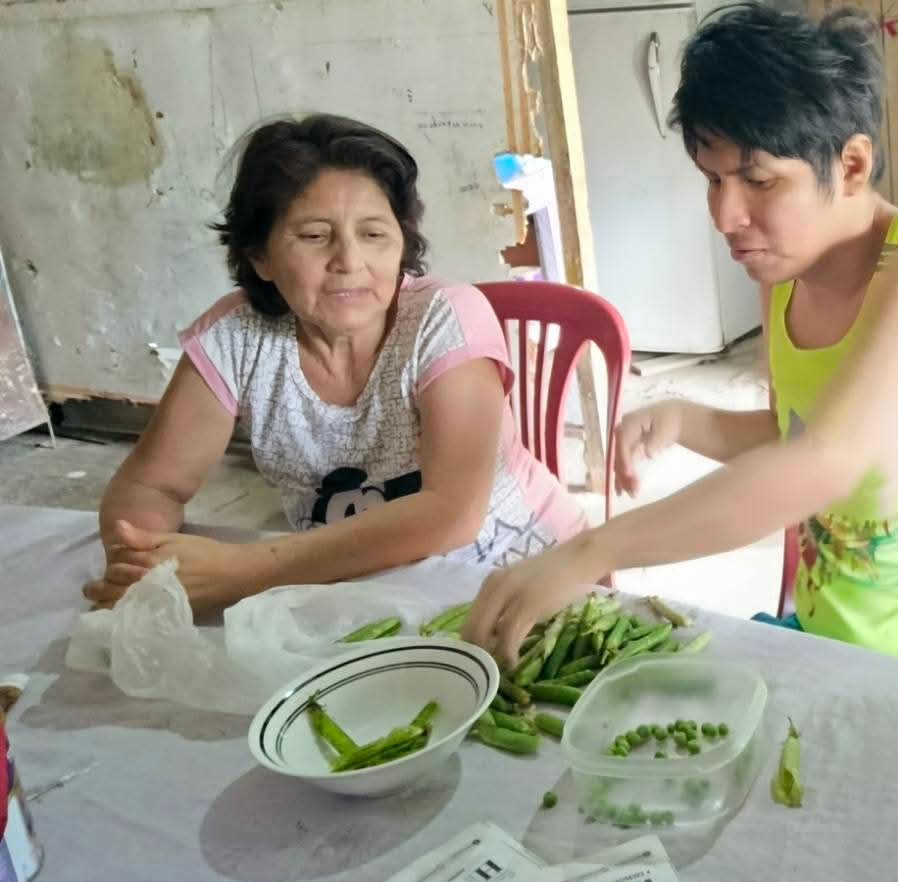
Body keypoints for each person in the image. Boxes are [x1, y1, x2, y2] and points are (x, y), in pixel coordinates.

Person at [464, 5, 898, 790]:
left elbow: (824, 464)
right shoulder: (787, 280)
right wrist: (690, 420)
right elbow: (800, 435)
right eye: (713, 180)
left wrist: (593, 549)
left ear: (851, 165)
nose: (726, 215)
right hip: (828, 642)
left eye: (758, 180)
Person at [87, 114, 586, 612]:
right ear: (260, 256)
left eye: (373, 234)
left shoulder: (445, 319)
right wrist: (142, 567)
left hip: (520, 574)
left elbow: (450, 513)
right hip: (355, 592)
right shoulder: (235, 339)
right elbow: (151, 486)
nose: (348, 260)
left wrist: (246, 571)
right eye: (313, 236)